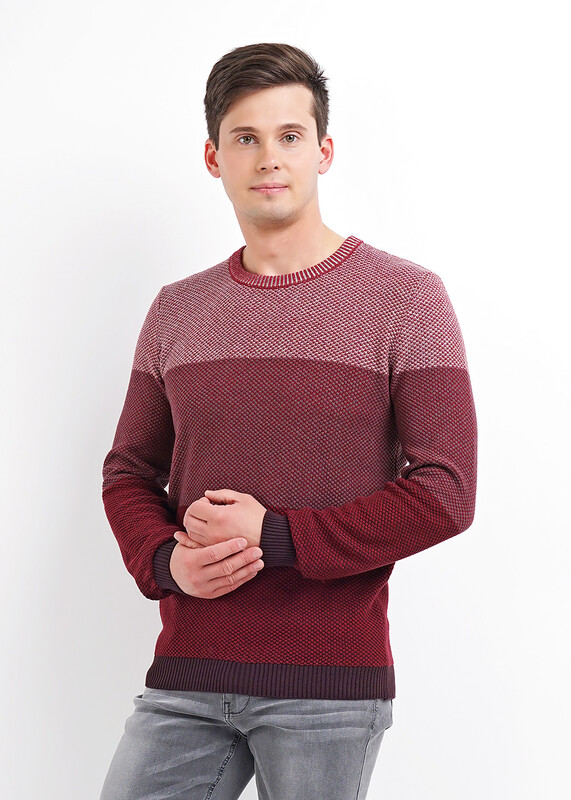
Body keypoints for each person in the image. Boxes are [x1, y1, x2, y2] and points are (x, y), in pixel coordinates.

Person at [99, 41, 478, 800]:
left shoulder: (405, 298)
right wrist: (165, 562)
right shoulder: (177, 310)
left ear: (323, 152)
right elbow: (128, 471)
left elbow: (446, 491)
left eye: (289, 135)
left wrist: (275, 538)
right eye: (246, 137)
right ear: (214, 158)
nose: (268, 157)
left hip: (328, 685)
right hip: (187, 671)